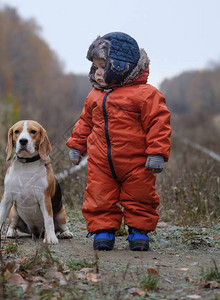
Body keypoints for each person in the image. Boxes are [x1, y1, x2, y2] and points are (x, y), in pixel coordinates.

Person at [66, 32, 171, 251]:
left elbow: (158, 123)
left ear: (120, 66)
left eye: (103, 66)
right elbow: (84, 122)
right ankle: (103, 231)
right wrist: (77, 145)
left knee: (140, 196)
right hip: (101, 162)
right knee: (98, 195)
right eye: (95, 67)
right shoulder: (95, 96)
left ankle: (139, 231)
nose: (98, 72)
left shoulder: (146, 95)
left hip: (137, 163)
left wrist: (157, 153)